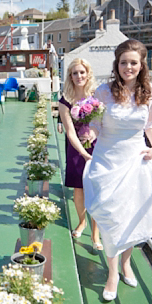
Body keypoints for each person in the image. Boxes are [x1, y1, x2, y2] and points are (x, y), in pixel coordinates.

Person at [82, 39, 152, 302]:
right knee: (109, 217)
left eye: (133, 63)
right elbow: (96, 124)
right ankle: (113, 273)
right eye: (123, 62)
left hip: (136, 160)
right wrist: (87, 135)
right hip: (107, 160)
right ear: (116, 65)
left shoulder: (150, 91)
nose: (128, 67)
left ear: (142, 66)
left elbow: (151, 122)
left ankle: (126, 263)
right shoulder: (103, 92)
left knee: (130, 216)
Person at [58, 58, 102, 251]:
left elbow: (102, 122)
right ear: (70, 76)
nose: (79, 76)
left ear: (88, 73)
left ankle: (95, 233)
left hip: (97, 144)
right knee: (78, 189)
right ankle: (82, 222)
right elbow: (69, 131)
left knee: (96, 189)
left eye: (82, 72)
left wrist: (93, 134)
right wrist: (83, 153)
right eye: (75, 73)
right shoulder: (65, 100)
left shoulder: (96, 96)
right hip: (77, 148)